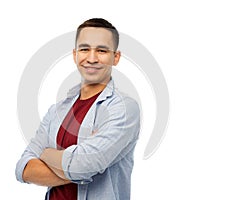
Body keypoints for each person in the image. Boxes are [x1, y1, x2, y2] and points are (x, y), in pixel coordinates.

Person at [15, 18, 141, 200]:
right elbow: (23, 168)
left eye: (101, 50)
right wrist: (76, 165)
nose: (91, 58)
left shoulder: (124, 109)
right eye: (84, 49)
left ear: (116, 57)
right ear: (75, 55)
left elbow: (85, 165)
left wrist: (46, 154)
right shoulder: (57, 110)